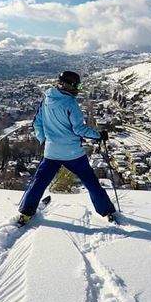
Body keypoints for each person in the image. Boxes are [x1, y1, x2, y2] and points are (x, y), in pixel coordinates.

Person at [16, 70, 116, 224]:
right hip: (73, 153)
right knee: (91, 182)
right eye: (77, 85)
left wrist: (44, 140)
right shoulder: (70, 104)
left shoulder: (46, 100)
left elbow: (37, 123)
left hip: (51, 152)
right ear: (69, 85)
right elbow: (79, 129)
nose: (78, 88)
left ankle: (26, 212)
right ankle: (106, 211)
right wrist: (99, 135)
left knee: (39, 182)